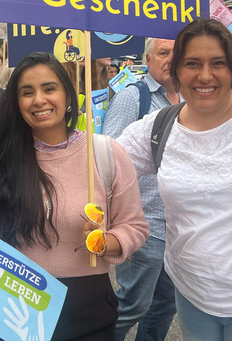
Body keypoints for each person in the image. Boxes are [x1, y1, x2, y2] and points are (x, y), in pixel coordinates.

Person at [117, 19, 232, 341]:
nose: (205, 75)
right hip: (192, 299)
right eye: (192, 64)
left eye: (218, 63)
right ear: (176, 71)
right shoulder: (159, 127)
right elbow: (102, 164)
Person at [0, 52, 148, 341]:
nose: (39, 100)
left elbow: (134, 226)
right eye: (27, 92)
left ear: (69, 96)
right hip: (16, 304)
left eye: (49, 88)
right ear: (16, 103)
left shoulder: (106, 153)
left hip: (87, 306)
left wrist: (104, 242)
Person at [102, 38, 181, 341]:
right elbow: (110, 156)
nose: (170, 59)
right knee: (132, 305)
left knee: (165, 305)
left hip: (176, 227)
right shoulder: (133, 97)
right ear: (147, 59)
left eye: (176, 53)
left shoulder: (189, 100)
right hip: (142, 223)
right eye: (163, 53)